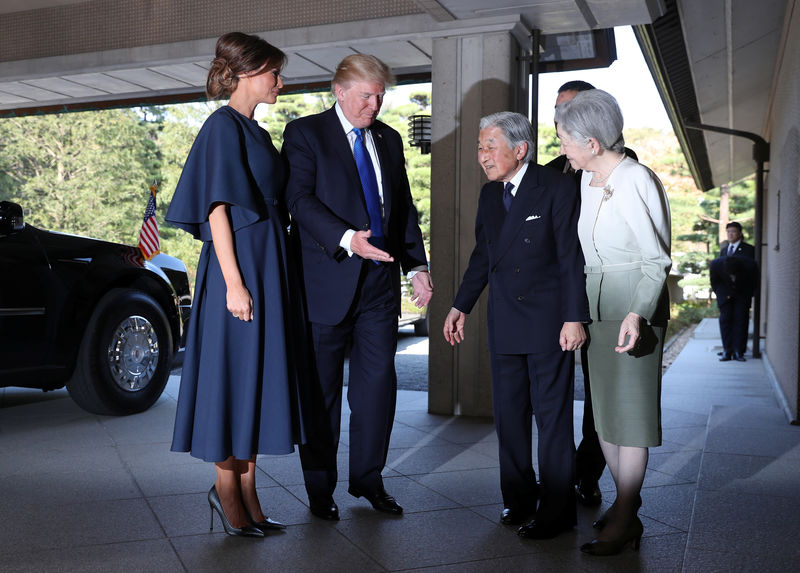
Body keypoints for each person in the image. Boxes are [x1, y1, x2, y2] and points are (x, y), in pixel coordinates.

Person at [166, 32, 305, 538]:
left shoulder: (256, 132)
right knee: (231, 379)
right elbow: (215, 209)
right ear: (248, 73)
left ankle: (249, 494)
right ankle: (227, 493)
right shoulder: (221, 127)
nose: (280, 82)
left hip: (265, 265)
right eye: (274, 73)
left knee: (253, 378)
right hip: (239, 269)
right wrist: (233, 284)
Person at [282, 54, 433, 521]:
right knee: (322, 394)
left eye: (381, 95)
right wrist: (349, 240)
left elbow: (401, 206)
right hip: (326, 280)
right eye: (366, 95)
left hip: (380, 284)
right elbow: (298, 201)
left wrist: (416, 266)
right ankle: (320, 488)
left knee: (376, 389)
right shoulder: (305, 133)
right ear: (339, 91)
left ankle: (369, 480)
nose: (375, 104)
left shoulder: (387, 138)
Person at [443, 111, 588, 540]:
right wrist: (460, 305)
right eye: (480, 147)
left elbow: (569, 257)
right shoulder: (490, 196)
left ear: (519, 149)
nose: (482, 156)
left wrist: (573, 316)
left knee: (553, 419)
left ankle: (558, 509)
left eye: (490, 146)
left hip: (549, 323)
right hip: (504, 319)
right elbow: (483, 257)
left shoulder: (557, 186)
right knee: (508, 418)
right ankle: (519, 497)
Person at [554, 89, 671, 555]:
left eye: (564, 138)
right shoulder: (585, 180)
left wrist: (637, 313)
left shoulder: (637, 178)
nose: (560, 146)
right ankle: (626, 508)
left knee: (631, 419)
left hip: (633, 308)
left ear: (593, 143)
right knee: (603, 415)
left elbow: (656, 260)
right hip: (597, 306)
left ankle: (625, 515)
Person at [545, 79, 636, 509]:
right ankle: (556, 476)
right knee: (553, 389)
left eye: (573, 109)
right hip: (557, 294)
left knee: (599, 395)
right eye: (559, 111)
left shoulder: (622, 165)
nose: (563, 118)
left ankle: (588, 473)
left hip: (605, 295)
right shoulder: (547, 171)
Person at [710, 222, 757, 361]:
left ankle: (739, 351)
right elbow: (718, 275)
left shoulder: (749, 249)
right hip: (725, 295)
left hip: (742, 294)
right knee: (725, 322)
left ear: (740, 233)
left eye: (734, 231)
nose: (730, 234)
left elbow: (753, 273)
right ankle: (727, 350)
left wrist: (750, 292)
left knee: (740, 322)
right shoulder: (724, 249)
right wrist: (718, 292)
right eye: (728, 231)